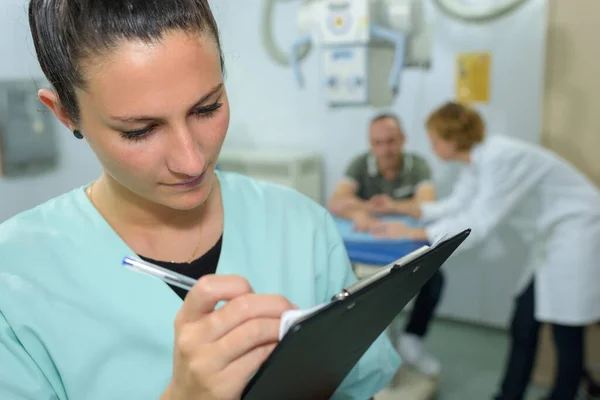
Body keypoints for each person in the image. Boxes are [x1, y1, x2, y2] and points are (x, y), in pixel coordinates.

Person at [0, 1, 400, 399]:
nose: (191, 161)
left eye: (207, 108)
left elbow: (354, 389)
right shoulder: (15, 277)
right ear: (65, 113)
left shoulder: (300, 225)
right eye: (140, 131)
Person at [372, 101, 600, 400]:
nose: (431, 145)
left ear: (452, 139)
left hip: (578, 234)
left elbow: (479, 223)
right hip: (551, 240)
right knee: (524, 322)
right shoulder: (477, 162)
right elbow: (455, 205)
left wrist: (415, 233)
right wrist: (397, 209)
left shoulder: (498, 158)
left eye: (435, 139)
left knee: (566, 331)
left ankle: (563, 394)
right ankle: (509, 395)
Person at [327, 113, 443, 377]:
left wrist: (390, 206)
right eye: (377, 143)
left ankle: (412, 340)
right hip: (369, 247)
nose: (385, 149)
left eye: (391, 141)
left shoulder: (418, 166)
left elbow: (427, 206)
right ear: (370, 144)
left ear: (402, 140)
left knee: (436, 278)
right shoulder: (360, 164)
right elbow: (336, 202)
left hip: (405, 245)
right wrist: (362, 212)